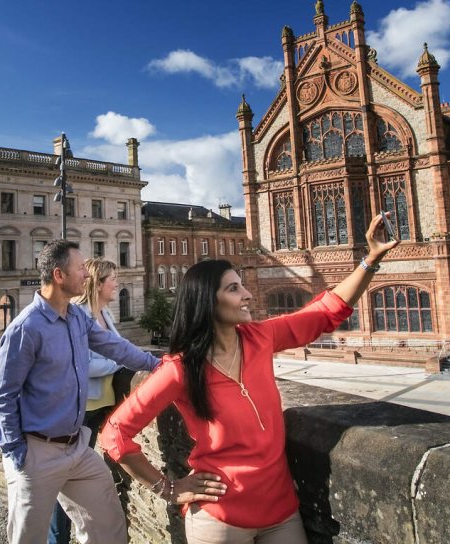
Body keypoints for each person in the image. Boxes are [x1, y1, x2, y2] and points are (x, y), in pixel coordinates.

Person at [100, 212, 398, 544]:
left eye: (241, 286)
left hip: (281, 512)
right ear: (207, 302)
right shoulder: (179, 369)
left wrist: (370, 259)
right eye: (234, 289)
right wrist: (168, 488)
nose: (248, 295)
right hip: (220, 520)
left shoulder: (259, 338)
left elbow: (325, 313)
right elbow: (114, 434)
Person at [0, 241, 160, 543]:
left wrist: (158, 364)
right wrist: (18, 454)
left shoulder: (77, 317)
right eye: (80, 267)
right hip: (37, 451)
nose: (86, 273)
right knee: (27, 538)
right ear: (59, 274)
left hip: (76, 447)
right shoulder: (25, 328)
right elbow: (3, 397)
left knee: (107, 524)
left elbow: (115, 347)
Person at [47, 258, 133, 544]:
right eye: (113, 279)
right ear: (98, 283)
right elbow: (82, 364)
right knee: (63, 480)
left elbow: (120, 348)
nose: (117, 284)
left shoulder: (104, 314)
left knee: (72, 477)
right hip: (80, 410)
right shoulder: (80, 314)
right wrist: (115, 363)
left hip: (99, 407)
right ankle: (56, 539)